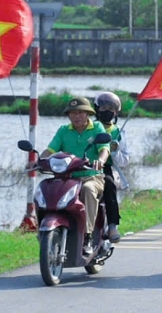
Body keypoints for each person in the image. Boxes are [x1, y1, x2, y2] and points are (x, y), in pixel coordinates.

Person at [36, 97, 110, 255]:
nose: (77, 116)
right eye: (73, 113)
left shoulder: (96, 128)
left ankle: (88, 236)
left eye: (81, 113)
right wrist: (39, 161)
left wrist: (101, 161)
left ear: (88, 114)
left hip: (91, 176)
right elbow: (51, 150)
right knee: (45, 190)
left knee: (88, 190)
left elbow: (104, 148)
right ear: (69, 115)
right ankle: (42, 231)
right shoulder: (64, 130)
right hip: (67, 178)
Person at [93, 91, 130, 244]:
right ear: (96, 109)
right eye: (103, 108)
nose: (107, 111)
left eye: (111, 108)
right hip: (82, 166)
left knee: (109, 185)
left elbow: (124, 161)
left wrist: (114, 151)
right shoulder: (89, 127)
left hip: (104, 168)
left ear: (115, 112)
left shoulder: (118, 132)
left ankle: (113, 225)